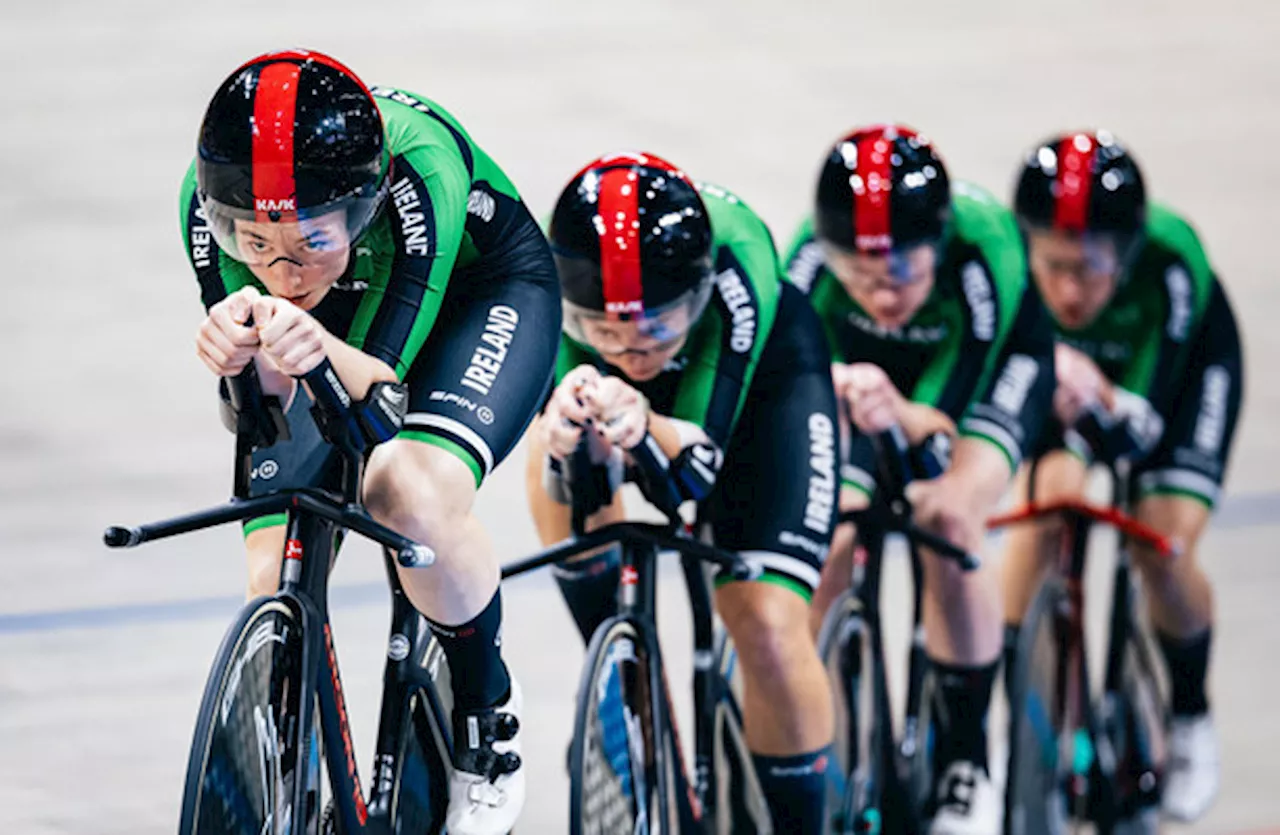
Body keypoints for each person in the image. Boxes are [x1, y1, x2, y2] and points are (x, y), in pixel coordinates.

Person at [180, 49, 562, 834]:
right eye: (253, 242)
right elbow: (260, 412)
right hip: (340, 321)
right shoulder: (203, 201)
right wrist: (233, 353)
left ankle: (487, 719)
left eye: (312, 240)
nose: (282, 269)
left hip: (474, 298)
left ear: (361, 204)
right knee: (268, 571)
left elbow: (381, 401)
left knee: (404, 492)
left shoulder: (420, 175)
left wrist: (303, 340)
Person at [525, 151, 839, 834]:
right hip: (638, 402)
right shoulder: (551, 270)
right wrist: (571, 426)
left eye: (653, 325)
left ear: (694, 293)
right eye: (602, 331)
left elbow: (695, 475)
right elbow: (566, 461)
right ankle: (624, 677)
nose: (631, 349)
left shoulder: (737, 255)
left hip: (761, 395)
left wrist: (648, 423)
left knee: (767, 626)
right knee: (551, 450)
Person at [785, 125, 1055, 834]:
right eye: (859, 274)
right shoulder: (806, 260)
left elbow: (945, 430)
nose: (880, 291)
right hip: (859, 383)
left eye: (902, 272)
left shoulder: (983, 249)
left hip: (982, 372)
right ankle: (832, 731)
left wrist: (902, 413)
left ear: (936, 245)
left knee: (948, 515)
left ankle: (968, 758)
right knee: (827, 532)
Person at [1001, 130, 1243, 822]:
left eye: (1093, 268)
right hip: (1068, 382)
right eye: (1055, 267)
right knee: (1042, 506)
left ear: (1128, 252)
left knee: (1158, 540)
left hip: (1174, 379)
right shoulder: (1003, 254)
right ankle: (1019, 705)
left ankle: (1190, 711)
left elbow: (1140, 425)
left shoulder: (1170, 257)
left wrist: (1102, 404)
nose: (1072, 289)